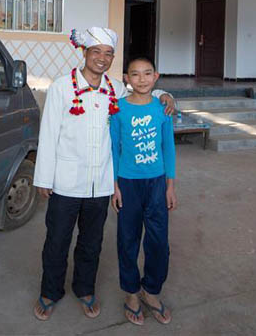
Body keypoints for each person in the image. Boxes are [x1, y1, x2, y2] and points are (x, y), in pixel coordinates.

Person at [32, 27, 175, 321]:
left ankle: (85, 289)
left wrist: (165, 94)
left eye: (108, 53)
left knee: (91, 241)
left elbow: (143, 90)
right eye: (95, 52)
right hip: (66, 181)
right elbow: (47, 135)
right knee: (57, 240)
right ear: (84, 53)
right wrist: (44, 178)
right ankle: (50, 292)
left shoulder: (114, 88)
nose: (101, 58)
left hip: (100, 184)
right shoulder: (61, 87)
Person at [110, 57, 177, 326]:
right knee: (128, 239)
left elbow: (168, 148)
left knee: (158, 240)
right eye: (135, 74)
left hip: (157, 183)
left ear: (156, 76)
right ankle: (131, 294)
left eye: (147, 73)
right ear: (126, 78)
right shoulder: (118, 109)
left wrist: (170, 186)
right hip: (127, 183)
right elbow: (114, 148)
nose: (141, 79)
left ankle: (150, 290)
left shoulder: (163, 109)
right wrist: (114, 186)